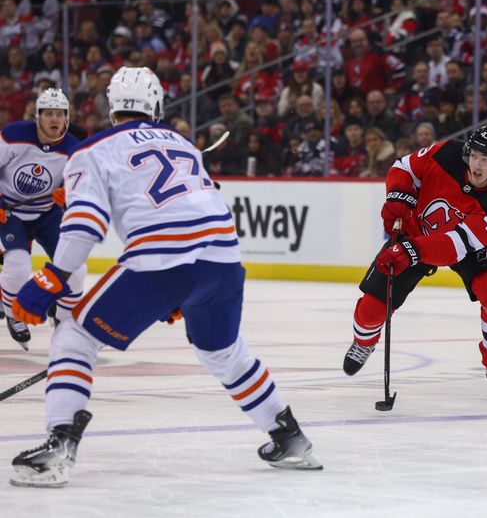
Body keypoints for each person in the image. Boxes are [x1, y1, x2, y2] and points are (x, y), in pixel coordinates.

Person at [8, 67, 322, 488]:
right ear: (156, 106)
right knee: (223, 352)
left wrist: (51, 277)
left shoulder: (90, 150)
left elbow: (84, 224)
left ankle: (59, 445)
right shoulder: (183, 143)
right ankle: (290, 437)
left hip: (162, 260)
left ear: (111, 106)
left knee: (74, 336)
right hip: (223, 260)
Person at [340, 123, 487, 400]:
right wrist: (398, 196)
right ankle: (363, 342)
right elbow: (404, 168)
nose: (477, 164)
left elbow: (457, 245)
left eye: (486, 160)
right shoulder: (445, 154)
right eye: (475, 155)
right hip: (415, 231)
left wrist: (411, 250)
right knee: (371, 310)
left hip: (463, 244)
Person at [0, 88, 85, 349]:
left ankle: (62, 319)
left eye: (60, 114)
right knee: (17, 265)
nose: (54, 119)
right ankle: (14, 315)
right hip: (10, 211)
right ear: (37, 116)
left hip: (47, 213)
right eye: (48, 113)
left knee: (77, 268)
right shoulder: (13, 135)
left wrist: (67, 193)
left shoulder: (74, 148)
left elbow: (81, 187)